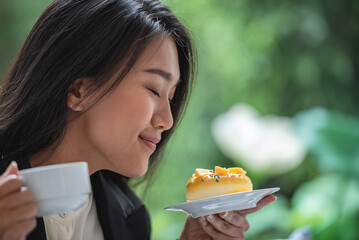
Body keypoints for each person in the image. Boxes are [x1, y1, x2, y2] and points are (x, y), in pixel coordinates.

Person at [0, 0, 276, 239]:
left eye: (170, 97)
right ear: (79, 91)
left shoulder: (129, 218)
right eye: (154, 89)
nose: (167, 121)